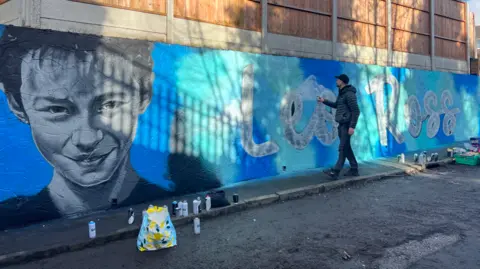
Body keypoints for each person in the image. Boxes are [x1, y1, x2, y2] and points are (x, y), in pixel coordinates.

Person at [0, 26, 221, 230]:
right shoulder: (9, 221)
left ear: (145, 93)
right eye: (57, 110)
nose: (87, 138)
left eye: (110, 104)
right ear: (17, 105)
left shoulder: (170, 205)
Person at [317, 74, 360, 180]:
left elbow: (356, 111)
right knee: (346, 147)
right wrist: (324, 101)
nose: (336, 81)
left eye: (338, 80)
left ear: (343, 82)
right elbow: (337, 105)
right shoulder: (342, 94)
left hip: (347, 125)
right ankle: (354, 169)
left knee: (342, 148)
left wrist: (352, 127)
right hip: (341, 124)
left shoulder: (349, 94)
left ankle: (335, 171)